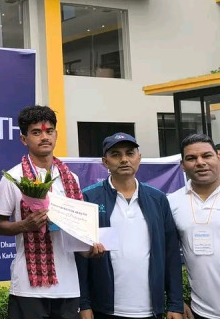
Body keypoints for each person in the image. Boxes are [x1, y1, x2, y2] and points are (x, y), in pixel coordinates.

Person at [0, 105, 104, 319]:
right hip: (28, 287)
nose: (44, 137)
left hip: (68, 286)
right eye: (36, 132)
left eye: (49, 131)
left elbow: (78, 232)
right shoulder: (13, 178)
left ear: (56, 134)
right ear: (24, 139)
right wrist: (25, 225)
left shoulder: (71, 179)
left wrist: (90, 249)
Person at [77, 133, 183, 319]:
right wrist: (84, 304)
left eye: (130, 153)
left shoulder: (158, 199)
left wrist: (175, 304)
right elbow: (80, 257)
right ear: (105, 162)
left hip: (150, 310)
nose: (124, 159)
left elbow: (171, 253)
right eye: (116, 154)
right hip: (104, 309)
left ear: (139, 158)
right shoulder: (89, 198)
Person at [168, 134, 220, 319]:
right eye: (191, 158)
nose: (200, 162)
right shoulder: (172, 202)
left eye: (206, 156)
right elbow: (168, 256)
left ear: (218, 157)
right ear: (182, 165)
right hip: (202, 311)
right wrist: (176, 300)